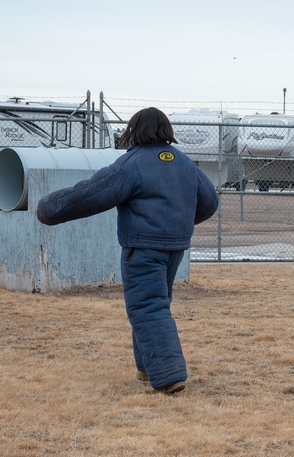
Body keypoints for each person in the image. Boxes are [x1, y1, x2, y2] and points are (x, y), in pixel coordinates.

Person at [36, 107, 218, 395]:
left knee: (147, 307)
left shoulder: (132, 164)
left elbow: (92, 194)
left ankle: (169, 375)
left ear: (135, 130)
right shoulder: (185, 163)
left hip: (142, 249)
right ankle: (146, 367)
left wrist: (49, 208)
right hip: (175, 249)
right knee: (154, 304)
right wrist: (177, 222)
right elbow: (209, 202)